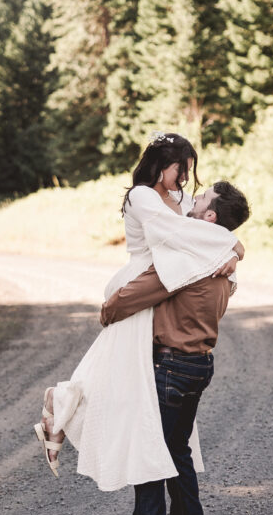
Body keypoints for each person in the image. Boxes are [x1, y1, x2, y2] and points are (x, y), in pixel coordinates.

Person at [34, 133, 245, 493]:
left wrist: (231, 251)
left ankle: (61, 405)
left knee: (122, 382)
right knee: (123, 384)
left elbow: (203, 228)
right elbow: (177, 230)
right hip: (145, 281)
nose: (185, 179)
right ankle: (64, 407)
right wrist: (234, 245)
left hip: (170, 278)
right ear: (163, 164)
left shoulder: (178, 197)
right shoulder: (142, 195)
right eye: (182, 169)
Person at [98, 181, 251, 515]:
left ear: (210, 218)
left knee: (149, 456)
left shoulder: (188, 261)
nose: (191, 202)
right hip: (199, 365)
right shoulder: (220, 260)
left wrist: (108, 309)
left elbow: (130, 298)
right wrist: (237, 250)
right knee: (177, 454)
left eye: (200, 201)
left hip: (168, 367)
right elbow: (231, 248)